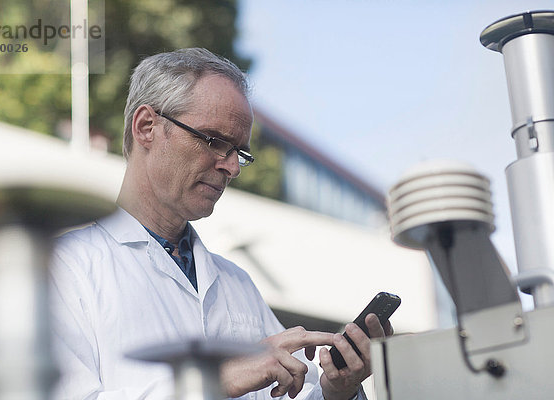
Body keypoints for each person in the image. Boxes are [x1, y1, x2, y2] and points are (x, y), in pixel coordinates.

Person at [49, 47, 392, 400]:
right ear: (146, 127)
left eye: (239, 152)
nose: (232, 167)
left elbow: (289, 393)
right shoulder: (64, 267)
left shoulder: (236, 284)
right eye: (214, 141)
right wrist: (213, 381)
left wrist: (337, 389)